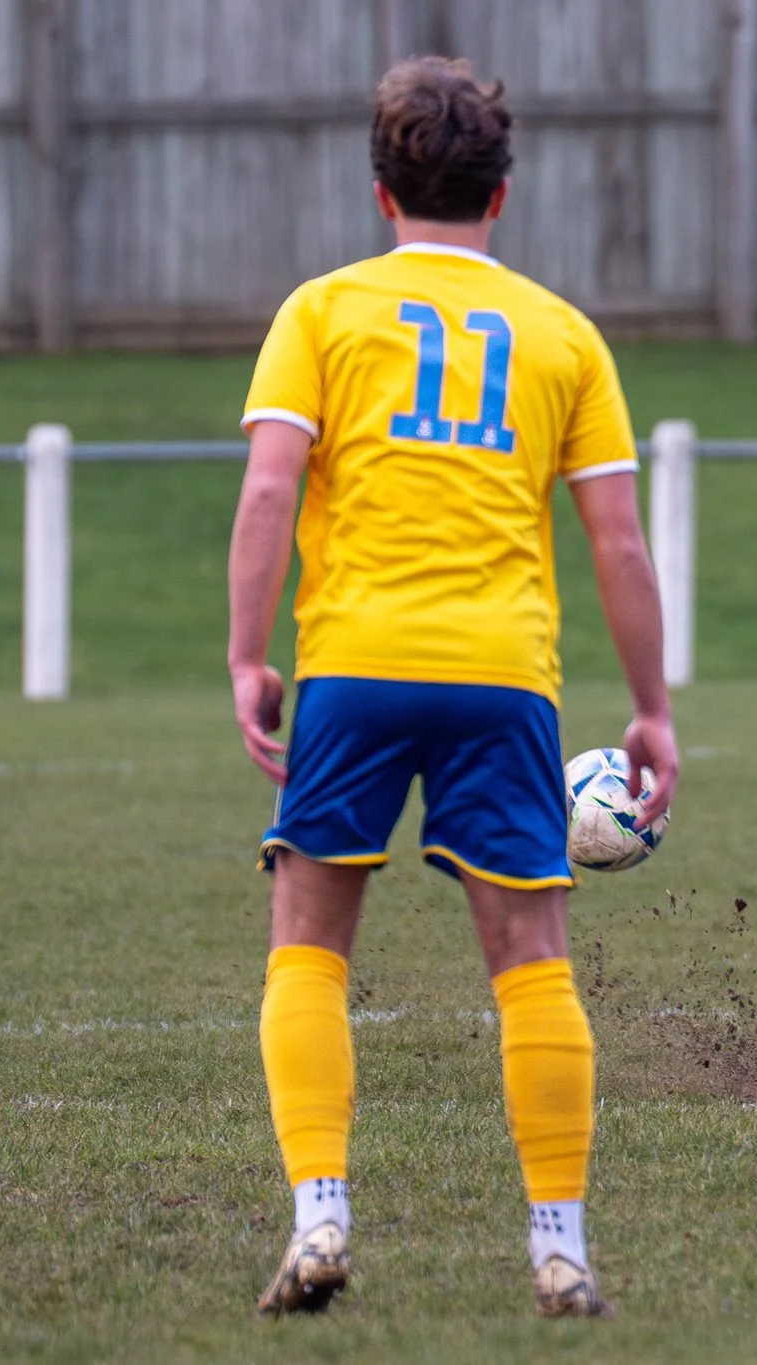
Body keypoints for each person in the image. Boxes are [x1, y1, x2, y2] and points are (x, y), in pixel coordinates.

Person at [226, 56, 676, 1318]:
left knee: (307, 938)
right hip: (502, 678)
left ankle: (320, 1214)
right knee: (530, 954)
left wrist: (248, 657)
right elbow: (619, 546)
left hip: (356, 665)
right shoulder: (561, 333)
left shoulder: (319, 312)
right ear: (503, 196)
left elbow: (268, 491)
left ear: (380, 194)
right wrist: (650, 708)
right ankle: (559, 1245)